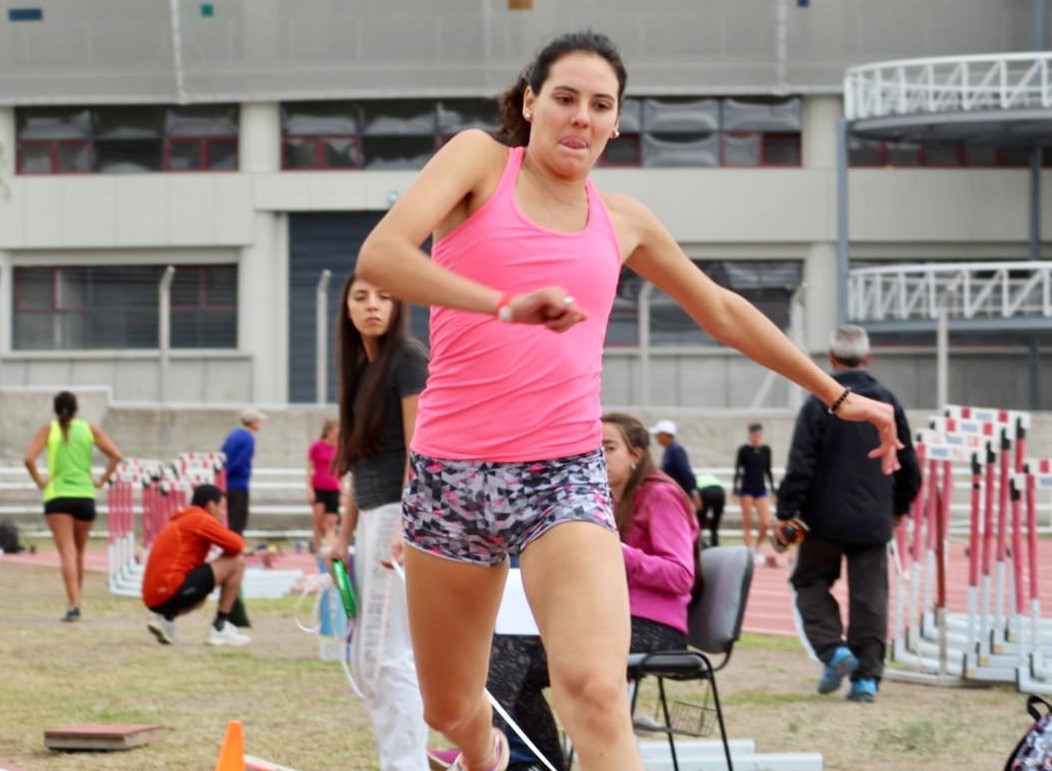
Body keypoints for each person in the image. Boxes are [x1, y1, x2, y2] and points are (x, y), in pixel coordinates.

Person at [354, 30, 903, 771]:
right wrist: (505, 304)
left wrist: (836, 394)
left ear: (616, 123)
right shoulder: (478, 162)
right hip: (450, 474)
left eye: (601, 105)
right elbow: (382, 256)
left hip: (561, 475)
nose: (581, 117)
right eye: (565, 98)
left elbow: (722, 309)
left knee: (596, 692)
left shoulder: (624, 221)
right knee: (448, 707)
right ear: (530, 102)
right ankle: (484, 753)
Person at [484, 412, 699, 771]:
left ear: (636, 455)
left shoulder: (660, 495)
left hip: (654, 629)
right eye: (592, 449)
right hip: (607, 618)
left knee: (514, 652)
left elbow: (680, 575)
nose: (599, 456)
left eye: (609, 448)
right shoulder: (600, 502)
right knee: (510, 654)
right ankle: (533, 761)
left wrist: (616, 552)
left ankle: (496, 754)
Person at [774, 325, 921, 703]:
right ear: (868, 358)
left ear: (831, 359)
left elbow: (801, 464)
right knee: (870, 597)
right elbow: (909, 465)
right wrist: (899, 508)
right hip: (873, 517)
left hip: (822, 518)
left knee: (809, 582)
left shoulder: (819, 402)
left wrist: (786, 511)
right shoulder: (887, 402)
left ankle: (833, 650)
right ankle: (866, 680)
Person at [330, 273, 431, 771]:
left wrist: (405, 525)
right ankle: (399, 760)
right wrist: (342, 536)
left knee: (388, 654)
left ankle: (407, 763)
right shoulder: (361, 372)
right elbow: (357, 464)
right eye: (361, 297)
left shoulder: (407, 359)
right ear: (347, 309)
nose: (373, 306)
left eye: (385, 297)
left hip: (399, 514)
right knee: (369, 655)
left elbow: (421, 449)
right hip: (373, 515)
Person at [22, 390, 123, 622]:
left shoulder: (48, 430)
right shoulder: (89, 429)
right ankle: (77, 599)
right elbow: (116, 456)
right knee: (79, 552)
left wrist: (40, 481)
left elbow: (28, 459)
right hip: (85, 495)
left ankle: (73, 604)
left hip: (58, 495)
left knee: (67, 552)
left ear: (55, 410)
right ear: (77, 409)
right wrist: (102, 480)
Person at [141, 483, 251, 646]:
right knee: (237, 561)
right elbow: (237, 545)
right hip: (171, 588)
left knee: (201, 598)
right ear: (210, 505)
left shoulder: (184, 518)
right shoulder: (200, 519)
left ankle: (166, 618)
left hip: (153, 596)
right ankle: (220, 626)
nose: (223, 514)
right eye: (221, 508)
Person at [733, 422, 775, 562]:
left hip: (760, 490)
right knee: (748, 522)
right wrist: (735, 489)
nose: (757, 438)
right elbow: (738, 470)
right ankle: (747, 551)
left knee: (766, 522)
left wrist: (773, 490)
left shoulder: (766, 450)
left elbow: (768, 470)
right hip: (747, 489)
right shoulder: (744, 450)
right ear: (750, 436)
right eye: (755, 435)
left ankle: (757, 547)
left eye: (759, 435)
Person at [220, 407, 265, 535]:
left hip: (226, 484)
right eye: (258, 421)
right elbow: (241, 461)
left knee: (227, 520)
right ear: (253, 422)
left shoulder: (233, 435)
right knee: (238, 522)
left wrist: (224, 475)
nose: (260, 424)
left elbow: (222, 455)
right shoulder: (248, 439)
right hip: (239, 484)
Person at [649, 419, 702, 513]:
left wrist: (694, 493)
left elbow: (685, 472)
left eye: (658, 435)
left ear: (666, 435)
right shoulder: (669, 450)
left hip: (680, 493)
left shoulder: (676, 450)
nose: (656, 437)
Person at [306, 418, 342, 556]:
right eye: (335, 431)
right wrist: (309, 489)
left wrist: (343, 491)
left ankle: (334, 554)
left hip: (333, 488)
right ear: (328, 431)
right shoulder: (316, 446)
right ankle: (317, 550)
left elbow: (341, 470)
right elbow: (309, 469)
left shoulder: (339, 448)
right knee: (318, 521)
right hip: (318, 487)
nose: (337, 434)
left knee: (331, 522)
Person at [694, 472, 726, 547]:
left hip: (704, 491)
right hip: (720, 491)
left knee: (698, 522)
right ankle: (715, 545)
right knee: (715, 524)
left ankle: (699, 544)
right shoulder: (709, 478)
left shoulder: (693, 481)